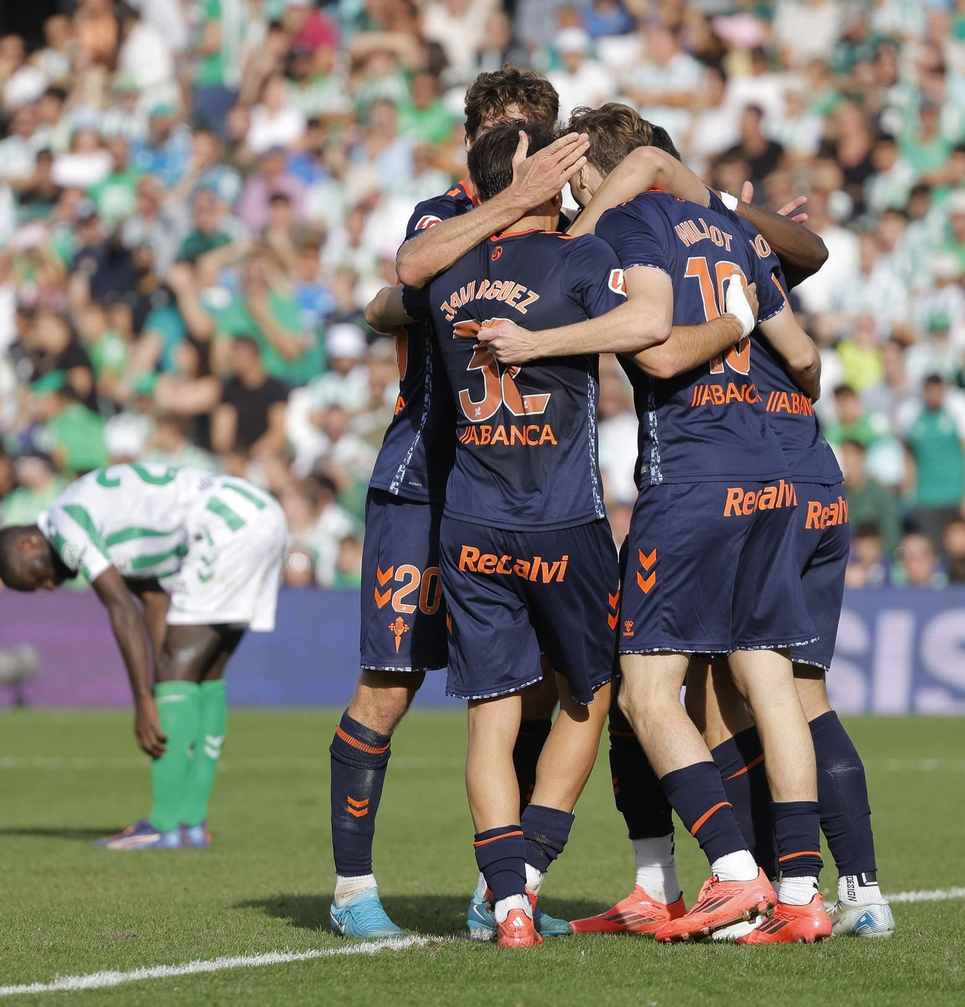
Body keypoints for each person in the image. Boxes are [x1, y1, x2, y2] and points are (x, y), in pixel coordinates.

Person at [478, 102, 828, 944]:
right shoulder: (731, 231)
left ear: (597, 167)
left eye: (576, 178)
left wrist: (541, 331)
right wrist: (743, 322)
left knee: (642, 691)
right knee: (769, 686)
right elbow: (809, 357)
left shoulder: (631, 222)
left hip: (692, 472)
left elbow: (659, 347)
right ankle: (804, 892)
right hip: (772, 469)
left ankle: (736, 878)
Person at [324, 67, 583, 943]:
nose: (516, 149)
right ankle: (352, 889)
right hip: (421, 482)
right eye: (500, 130)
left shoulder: (568, 226)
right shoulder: (441, 213)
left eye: (530, 132)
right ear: (471, 137)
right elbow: (405, 277)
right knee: (390, 681)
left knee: (537, 689)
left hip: (522, 490)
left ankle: (499, 887)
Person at [366, 120, 631, 947]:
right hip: (564, 518)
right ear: (543, 179)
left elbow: (395, 287)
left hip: (471, 521)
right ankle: (527, 873)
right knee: (589, 698)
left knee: (492, 714)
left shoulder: (444, 278)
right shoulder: (579, 259)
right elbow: (651, 325)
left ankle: (508, 904)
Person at [0, 463, 285, 850]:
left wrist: (146, 701)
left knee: (177, 670)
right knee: (206, 673)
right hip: (260, 513)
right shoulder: (102, 519)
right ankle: (192, 824)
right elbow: (150, 598)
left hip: (223, 526)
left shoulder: (66, 522)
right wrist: (166, 681)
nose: (48, 585)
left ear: (28, 543)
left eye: (36, 578)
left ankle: (162, 824)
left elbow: (122, 610)